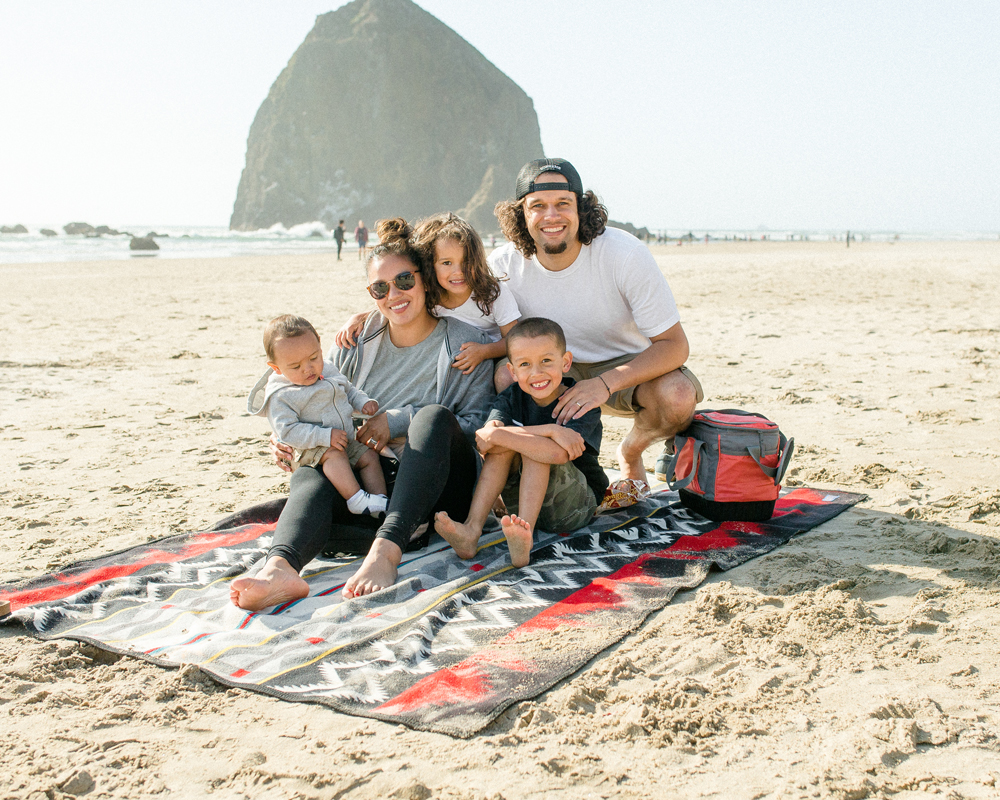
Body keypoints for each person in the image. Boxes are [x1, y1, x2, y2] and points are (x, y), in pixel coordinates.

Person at [230, 218, 495, 611]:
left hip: (434, 490)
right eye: (380, 287)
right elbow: (302, 392)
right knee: (314, 467)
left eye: (404, 280)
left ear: (424, 280)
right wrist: (291, 439)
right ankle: (281, 568)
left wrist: (398, 421)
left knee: (433, 417)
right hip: (368, 490)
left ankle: (386, 554)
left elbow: (477, 430)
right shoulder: (356, 341)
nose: (394, 295)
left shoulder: (464, 343)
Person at [490, 158, 704, 484]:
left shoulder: (623, 254)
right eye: (538, 206)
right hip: (553, 366)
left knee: (677, 397)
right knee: (504, 375)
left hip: (628, 370)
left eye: (563, 203)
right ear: (522, 213)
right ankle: (527, 480)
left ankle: (630, 452)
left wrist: (604, 384)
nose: (551, 216)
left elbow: (675, 346)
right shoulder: (503, 265)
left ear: (581, 208)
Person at [435, 318, 608, 567]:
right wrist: (549, 429)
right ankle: (471, 530)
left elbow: (557, 455)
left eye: (546, 361)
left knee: (532, 448)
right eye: (525, 364)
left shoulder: (579, 402)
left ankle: (523, 537)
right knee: (508, 447)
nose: (536, 373)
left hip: (576, 507)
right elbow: (486, 443)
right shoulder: (510, 398)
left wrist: (505, 435)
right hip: (525, 501)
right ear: (513, 372)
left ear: (566, 362)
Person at [336, 213, 520, 388]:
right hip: (458, 356)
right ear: (431, 266)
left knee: (504, 377)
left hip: (495, 352)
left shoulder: (492, 293)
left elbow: (515, 340)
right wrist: (359, 318)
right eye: (447, 263)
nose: (458, 271)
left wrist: (484, 352)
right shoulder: (433, 295)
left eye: (467, 262)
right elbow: (398, 304)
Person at [248, 314, 387, 518]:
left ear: (320, 347)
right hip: (309, 449)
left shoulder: (328, 369)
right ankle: (356, 499)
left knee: (369, 455)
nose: (308, 369)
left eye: (314, 357)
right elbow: (287, 431)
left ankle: (380, 502)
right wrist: (325, 436)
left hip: (343, 439)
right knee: (334, 454)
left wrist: (363, 402)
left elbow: (347, 389)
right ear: (276, 368)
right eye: (295, 366)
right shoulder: (281, 396)